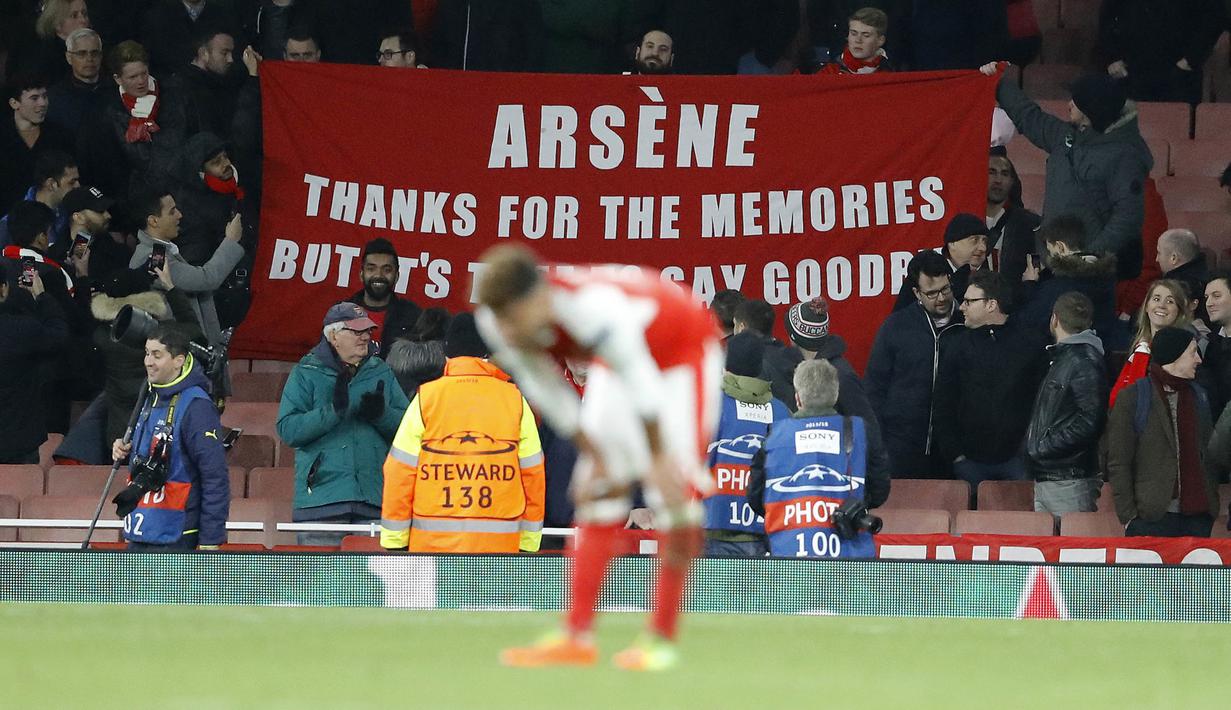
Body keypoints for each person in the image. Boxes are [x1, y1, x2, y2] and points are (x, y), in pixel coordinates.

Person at [475, 246, 722, 672]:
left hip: (683, 347)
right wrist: (597, 456)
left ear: (539, 299)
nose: (508, 330)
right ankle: (576, 635)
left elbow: (642, 382)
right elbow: (550, 392)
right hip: (623, 359)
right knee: (596, 487)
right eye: (502, 320)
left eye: (514, 318)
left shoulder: (595, 309)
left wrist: (660, 459)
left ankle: (660, 637)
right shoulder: (497, 318)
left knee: (675, 493)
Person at [381, 312, 545, 553]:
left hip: (432, 550)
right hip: (500, 552)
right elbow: (533, 475)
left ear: (446, 352)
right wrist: (528, 545)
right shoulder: (515, 401)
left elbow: (400, 471)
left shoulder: (426, 399)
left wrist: (395, 542)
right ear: (489, 353)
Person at [983, 63, 1151, 282]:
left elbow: (1128, 216)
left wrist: (1088, 256)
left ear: (1091, 110)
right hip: (1054, 263)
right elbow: (1028, 116)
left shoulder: (1125, 155)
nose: (1069, 104)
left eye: (1076, 100)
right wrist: (997, 80)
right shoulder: (1064, 136)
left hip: (1091, 273)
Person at [276, 302, 409, 546]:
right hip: (321, 501)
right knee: (318, 583)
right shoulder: (306, 371)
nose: (365, 337)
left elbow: (409, 432)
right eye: (356, 332)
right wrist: (333, 412)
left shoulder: (381, 371)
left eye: (367, 331)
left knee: (372, 585)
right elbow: (288, 430)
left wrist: (382, 414)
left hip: (373, 499)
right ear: (334, 336)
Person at [746, 358, 890, 558]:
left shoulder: (774, 436)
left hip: (789, 555)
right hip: (850, 559)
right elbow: (880, 489)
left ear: (798, 398)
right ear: (836, 394)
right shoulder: (861, 431)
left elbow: (755, 497)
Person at [110, 326, 229, 550]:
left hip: (179, 535)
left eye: (157, 355)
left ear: (178, 360)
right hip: (142, 529)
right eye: (146, 353)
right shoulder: (149, 396)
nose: (148, 361)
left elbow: (215, 475)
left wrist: (211, 539)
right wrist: (125, 447)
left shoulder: (197, 406)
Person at [933, 270, 1048, 490]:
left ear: (991, 304)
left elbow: (1042, 402)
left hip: (1019, 461)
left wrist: (1028, 449)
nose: (961, 307)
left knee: (1021, 524)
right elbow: (943, 403)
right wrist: (956, 455)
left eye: (969, 301)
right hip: (970, 463)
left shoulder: (1030, 344)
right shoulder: (957, 346)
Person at [1107, 326, 1219, 537]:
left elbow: (1208, 453)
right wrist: (1129, 516)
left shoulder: (1200, 397)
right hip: (1150, 517)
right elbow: (1118, 461)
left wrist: (1210, 504)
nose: (1199, 360)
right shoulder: (1133, 397)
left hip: (1197, 516)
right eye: (1193, 352)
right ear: (1174, 355)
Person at [865, 250, 964, 479]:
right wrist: (880, 443)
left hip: (953, 452)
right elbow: (874, 388)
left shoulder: (967, 323)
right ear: (916, 293)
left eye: (945, 289)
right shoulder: (896, 326)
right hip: (900, 448)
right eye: (931, 293)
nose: (940, 298)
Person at [703, 332, 789, 558]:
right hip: (764, 533)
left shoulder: (710, 404)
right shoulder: (781, 411)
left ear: (725, 364)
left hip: (715, 527)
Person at [1025, 292, 1108, 519]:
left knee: (1071, 552)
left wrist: (1044, 446)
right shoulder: (1068, 357)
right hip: (1055, 476)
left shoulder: (1082, 360)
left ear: (1054, 319)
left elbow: (1091, 420)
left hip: (1069, 478)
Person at [129, 189, 244, 349]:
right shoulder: (153, 257)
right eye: (172, 211)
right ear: (153, 221)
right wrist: (231, 241)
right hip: (181, 351)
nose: (179, 215)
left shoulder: (160, 249)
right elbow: (206, 279)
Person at [0, 261, 69, 464]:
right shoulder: (21, 330)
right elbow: (58, 335)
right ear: (3, 289)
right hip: (19, 439)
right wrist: (41, 296)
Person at [1014, 215, 1118, 346]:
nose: (1049, 258)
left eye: (1050, 251)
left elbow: (1029, 320)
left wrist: (1030, 285)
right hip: (1098, 355)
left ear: (1060, 247)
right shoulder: (1105, 277)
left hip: (1064, 357)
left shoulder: (1058, 285)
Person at [1097, 0, 1227, 105]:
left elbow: (1214, 17)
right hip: (1129, 69)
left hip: (1179, 73)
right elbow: (1107, 15)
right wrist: (1112, 58)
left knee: (1176, 129)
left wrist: (1190, 60)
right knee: (1128, 130)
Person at [1109, 279, 1191, 406]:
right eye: (1156, 299)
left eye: (1170, 301)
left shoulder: (1185, 349)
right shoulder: (1140, 345)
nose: (1162, 306)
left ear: (1179, 311)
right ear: (1146, 306)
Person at [1, 75, 74, 211]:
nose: (43, 103)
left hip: (53, 219)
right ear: (14, 103)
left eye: (45, 96)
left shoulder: (61, 136)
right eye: (34, 98)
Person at [892, 213, 988, 311]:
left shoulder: (988, 277)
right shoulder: (926, 270)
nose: (983, 248)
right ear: (952, 244)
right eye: (974, 240)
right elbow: (901, 318)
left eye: (984, 241)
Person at [346, 237, 422, 357]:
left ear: (397, 276)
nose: (378, 275)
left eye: (386, 270)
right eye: (371, 269)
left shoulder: (414, 317)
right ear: (361, 274)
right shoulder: (341, 313)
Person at [0, 149, 79, 248]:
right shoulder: (10, 224)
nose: (78, 186)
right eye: (72, 182)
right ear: (51, 184)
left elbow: (78, 254)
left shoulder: (75, 214)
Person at [140, 0, 241, 76]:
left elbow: (235, 58)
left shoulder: (226, 14)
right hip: (172, 90)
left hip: (218, 89)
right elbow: (153, 62)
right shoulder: (157, 16)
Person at [987, 148, 1042, 285]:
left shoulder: (1031, 225)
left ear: (1012, 181)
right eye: (991, 172)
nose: (998, 180)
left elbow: (1037, 269)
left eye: (1005, 174)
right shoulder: (966, 223)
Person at [46, 27, 109, 136]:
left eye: (94, 53)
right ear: (69, 57)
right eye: (81, 53)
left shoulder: (117, 91)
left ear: (101, 56)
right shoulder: (54, 98)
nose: (89, 59)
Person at [1156, 228, 1210, 325]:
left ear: (1174, 258)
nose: (1157, 259)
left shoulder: (1175, 286)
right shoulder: (1207, 278)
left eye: (1159, 253)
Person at [817, 7, 892, 75]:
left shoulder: (891, 75)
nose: (858, 40)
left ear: (880, 40)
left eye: (866, 35)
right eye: (853, 34)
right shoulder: (828, 73)